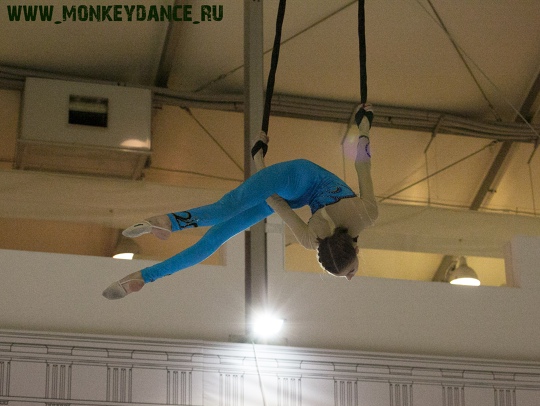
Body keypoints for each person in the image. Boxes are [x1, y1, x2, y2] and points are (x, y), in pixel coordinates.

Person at [102, 104, 378, 300]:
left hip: (294, 183)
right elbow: (277, 202)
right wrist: (259, 164)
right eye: (350, 272)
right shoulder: (312, 241)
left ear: (354, 250)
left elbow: (362, 164)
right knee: (222, 218)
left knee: (219, 228)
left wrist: (364, 125)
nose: (351, 277)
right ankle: (163, 233)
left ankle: (145, 270)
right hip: (293, 184)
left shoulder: (367, 214)